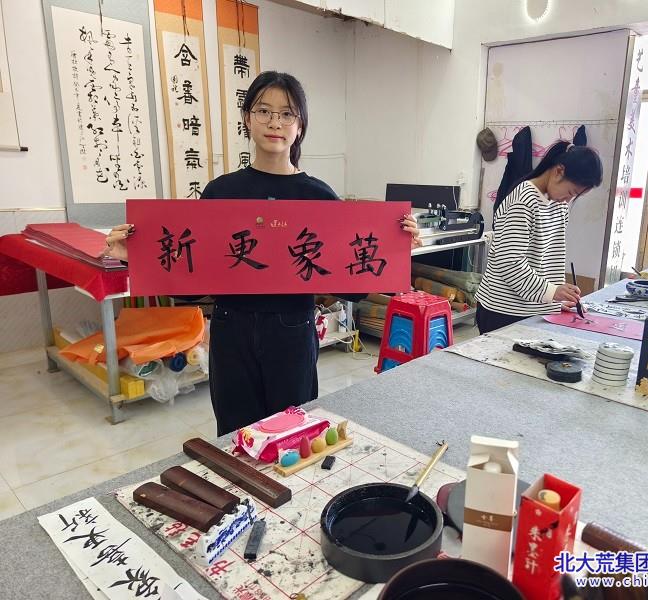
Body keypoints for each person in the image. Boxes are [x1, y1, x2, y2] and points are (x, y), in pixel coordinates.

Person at [105, 71, 421, 435]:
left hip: (293, 331)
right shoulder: (220, 193)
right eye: (264, 111)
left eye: (287, 114)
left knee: (291, 433)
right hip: (231, 329)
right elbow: (191, 286)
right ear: (247, 119)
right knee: (236, 436)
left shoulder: (319, 197)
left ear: (300, 126)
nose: (275, 122)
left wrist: (397, 249)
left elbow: (351, 287)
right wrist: (135, 256)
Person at [474, 140, 603, 334]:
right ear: (558, 171)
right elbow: (509, 263)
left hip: (535, 309)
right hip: (504, 310)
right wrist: (551, 292)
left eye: (575, 196)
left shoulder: (559, 205)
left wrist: (555, 298)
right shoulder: (524, 200)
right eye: (570, 192)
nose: (568, 200)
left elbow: (550, 259)